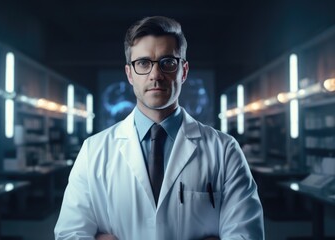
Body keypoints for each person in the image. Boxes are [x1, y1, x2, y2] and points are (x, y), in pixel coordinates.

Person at [54, 16, 264, 240]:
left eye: (168, 62)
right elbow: (69, 234)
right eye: (143, 63)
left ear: (183, 71)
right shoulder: (93, 151)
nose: (155, 75)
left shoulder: (224, 150)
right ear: (129, 74)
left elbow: (246, 236)